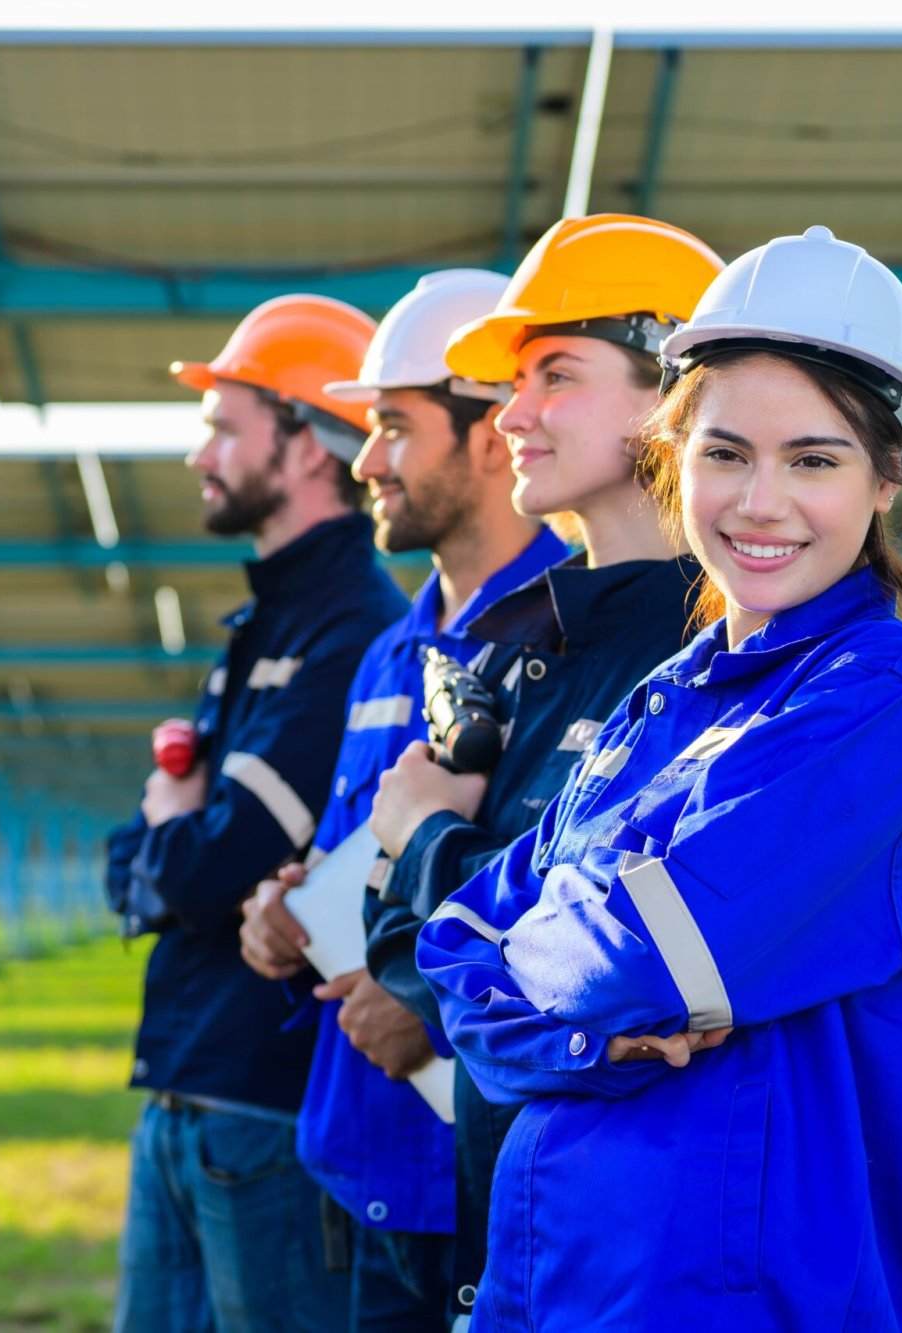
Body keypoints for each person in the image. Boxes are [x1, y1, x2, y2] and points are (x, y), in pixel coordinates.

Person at [416, 226, 902, 1330]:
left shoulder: (877, 685)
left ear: (887, 477)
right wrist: (573, 1008)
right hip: (557, 1277)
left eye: (812, 460)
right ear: (674, 454)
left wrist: (554, 950)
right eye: (724, 453)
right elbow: (453, 954)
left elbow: (657, 950)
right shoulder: (662, 697)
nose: (758, 501)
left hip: (748, 1294)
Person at [357, 214, 723, 1326]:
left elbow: (613, 973)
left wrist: (428, 839)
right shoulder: (519, 646)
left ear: (671, 393)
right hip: (510, 1237)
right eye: (513, 386)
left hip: (641, 1256)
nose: (510, 416)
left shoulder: (720, 656)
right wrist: (465, 892)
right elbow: (411, 961)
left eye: (553, 377)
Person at [235, 269, 572, 1331]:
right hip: (359, 1149)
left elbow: (573, 900)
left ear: (488, 431)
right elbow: (366, 865)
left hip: (478, 1167)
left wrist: (423, 1008)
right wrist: (296, 913)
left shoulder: (578, 633)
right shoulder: (389, 648)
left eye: (390, 426)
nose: (365, 459)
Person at [104, 294, 409, 1333]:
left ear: (307, 445)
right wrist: (169, 842)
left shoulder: (356, 631)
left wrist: (166, 840)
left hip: (268, 1104)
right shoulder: (265, 627)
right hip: (189, 1089)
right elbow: (168, 860)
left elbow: (205, 864)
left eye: (224, 426)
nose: (200, 455)